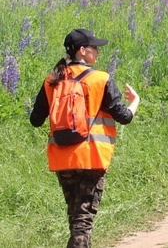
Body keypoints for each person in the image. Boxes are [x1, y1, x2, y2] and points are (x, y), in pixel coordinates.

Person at [29, 28, 141, 248]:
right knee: (83, 219)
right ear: (82, 51)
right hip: (92, 156)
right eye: (95, 48)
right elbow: (124, 117)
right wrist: (135, 101)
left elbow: (35, 120)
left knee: (75, 216)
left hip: (62, 158)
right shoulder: (101, 79)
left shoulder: (52, 80)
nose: (98, 52)